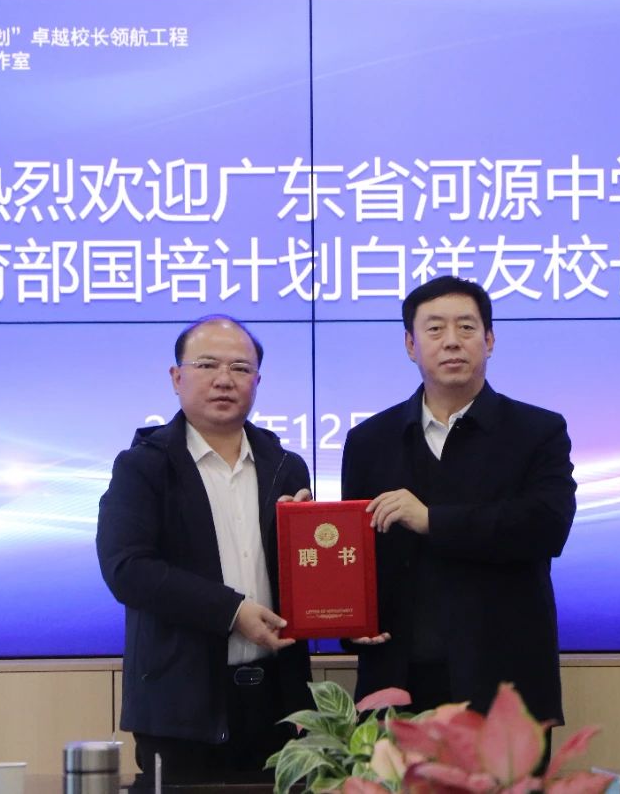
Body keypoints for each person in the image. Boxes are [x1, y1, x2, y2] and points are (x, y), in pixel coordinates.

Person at [341, 276, 577, 726]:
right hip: (398, 679)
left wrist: (431, 520)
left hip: (503, 680)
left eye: (466, 327)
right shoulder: (370, 440)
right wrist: (352, 622)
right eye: (434, 329)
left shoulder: (537, 431)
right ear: (410, 345)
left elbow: (546, 526)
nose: (452, 341)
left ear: (489, 340)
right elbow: (359, 551)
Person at [97, 315, 313, 783]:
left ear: (257, 381)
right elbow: (127, 570)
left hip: (278, 703)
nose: (224, 379)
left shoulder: (286, 467)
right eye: (207, 365)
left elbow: (306, 571)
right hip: (180, 707)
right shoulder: (143, 467)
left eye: (240, 368)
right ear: (177, 377)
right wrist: (232, 611)